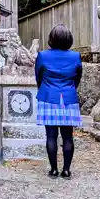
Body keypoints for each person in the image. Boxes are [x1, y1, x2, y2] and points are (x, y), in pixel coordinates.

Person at [34, 24, 83, 179]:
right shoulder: (75, 56)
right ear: (69, 39)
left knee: (51, 136)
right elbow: (77, 77)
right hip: (68, 97)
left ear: (51, 39)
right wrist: (69, 88)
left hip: (48, 96)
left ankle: (54, 169)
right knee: (68, 136)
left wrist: (45, 88)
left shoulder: (42, 56)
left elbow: (38, 76)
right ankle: (67, 170)